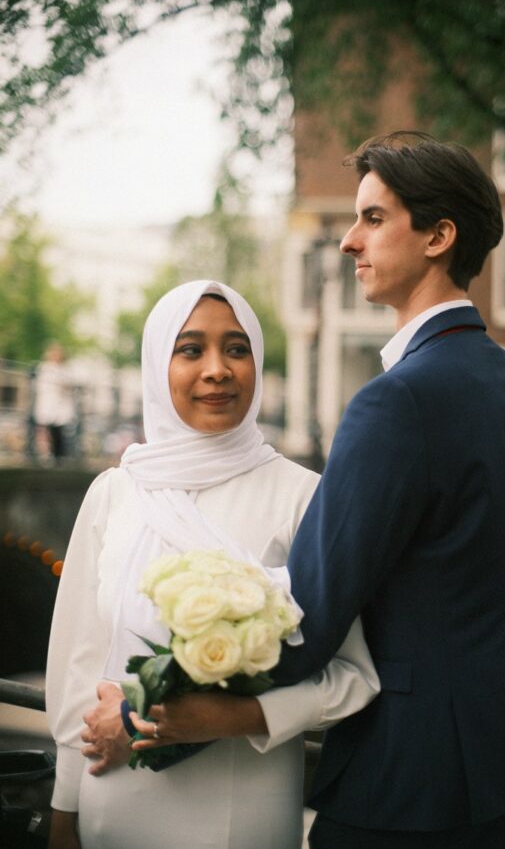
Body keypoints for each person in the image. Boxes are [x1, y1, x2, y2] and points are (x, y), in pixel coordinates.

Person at [270, 131, 505, 847]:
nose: (348, 242)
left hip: (401, 789)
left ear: (438, 236)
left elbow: (309, 614)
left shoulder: (394, 401)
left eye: (373, 217)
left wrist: (171, 693)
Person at [45, 280, 379, 849]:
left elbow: (355, 678)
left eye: (237, 348)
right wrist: (63, 810)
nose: (218, 369)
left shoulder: (305, 499)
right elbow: (77, 669)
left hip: (239, 814)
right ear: (157, 365)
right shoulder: (114, 493)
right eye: (191, 349)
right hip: (110, 805)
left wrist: (232, 717)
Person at [32, 342, 76, 462]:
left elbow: (69, 386)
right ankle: (48, 455)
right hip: (48, 406)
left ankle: (59, 455)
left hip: (60, 407)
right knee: (46, 431)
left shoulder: (65, 369)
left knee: (60, 432)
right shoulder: (44, 368)